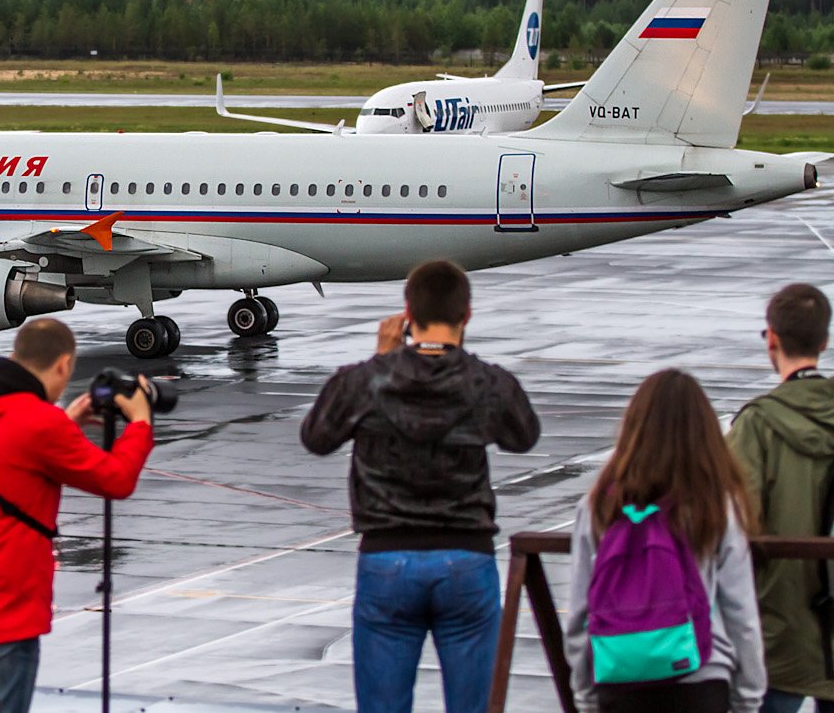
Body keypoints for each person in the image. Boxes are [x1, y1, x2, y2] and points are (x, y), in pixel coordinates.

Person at [300, 259, 539, 713]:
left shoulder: (368, 380)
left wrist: (382, 360)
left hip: (387, 558)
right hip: (467, 557)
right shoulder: (487, 383)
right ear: (466, 314)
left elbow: (316, 437)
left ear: (407, 312)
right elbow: (524, 435)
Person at [0, 318, 155, 712]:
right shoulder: (40, 424)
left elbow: (5, 453)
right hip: (5, 612)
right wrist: (139, 423)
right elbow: (116, 479)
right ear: (64, 365)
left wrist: (64, 424)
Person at [566, 370, 766, 713]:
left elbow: (580, 612)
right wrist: (748, 697)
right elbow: (740, 612)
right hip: (700, 677)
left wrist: (585, 695)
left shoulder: (599, 505)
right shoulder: (714, 505)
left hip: (620, 676)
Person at [728, 284, 834, 712]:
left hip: (777, 631)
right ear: (824, 341)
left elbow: (733, 526)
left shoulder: (756, 426)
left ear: (772, 337)